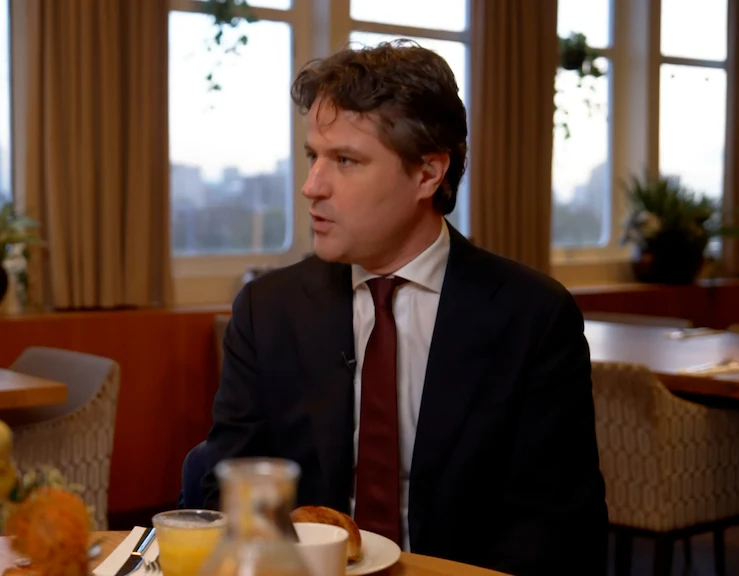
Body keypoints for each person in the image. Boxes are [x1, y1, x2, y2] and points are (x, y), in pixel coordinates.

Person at [197, 40, 608, 575]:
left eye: (345, 160)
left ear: (427, 174)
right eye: (313, 156)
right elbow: (222, 486)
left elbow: (556, 529)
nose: (311, 186)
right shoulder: (268, 310)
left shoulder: (533, 317)